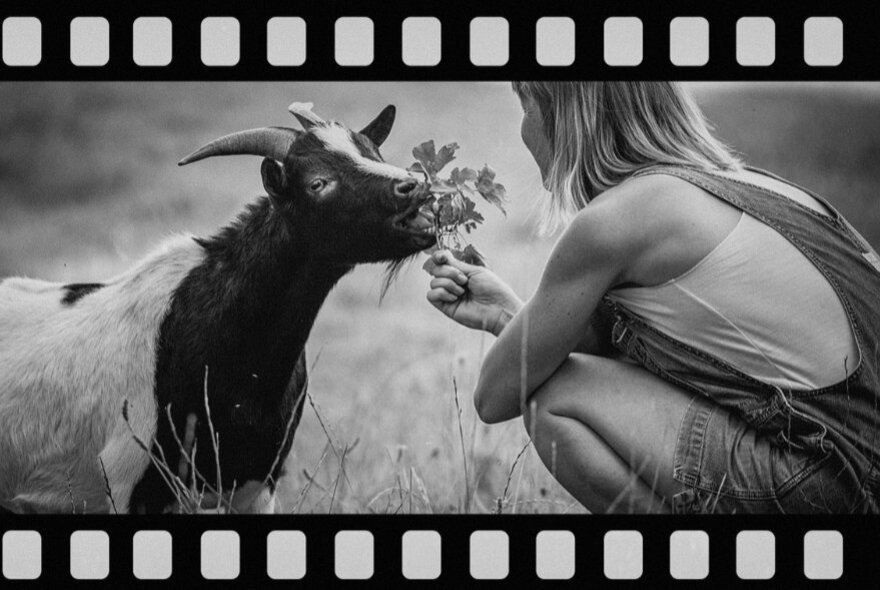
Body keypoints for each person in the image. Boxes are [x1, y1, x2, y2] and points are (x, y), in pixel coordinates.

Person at [424, 81, 880, 514]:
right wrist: (505, 311)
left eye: (525, 106)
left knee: (554, 398)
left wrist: (512, 328)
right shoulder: (753, 187)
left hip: (831, 476)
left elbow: (493, 397)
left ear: (562, 112)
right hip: (860, 463)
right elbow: (617, 359)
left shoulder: (618, 219)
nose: (524, 128)